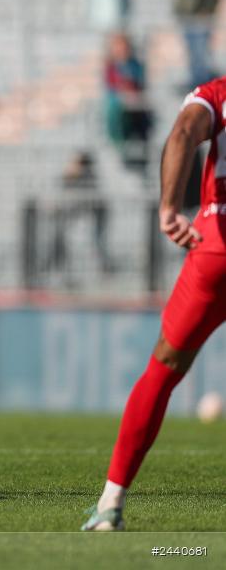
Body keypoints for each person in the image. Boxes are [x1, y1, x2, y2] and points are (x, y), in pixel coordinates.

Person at [82, 76, 226, 531]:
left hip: (217, 247)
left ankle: (110, 505)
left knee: (163, 368)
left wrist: (167, 208)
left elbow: (183, 131)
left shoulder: (219, 91)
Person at [104, 32, 150, 173]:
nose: (121, 50)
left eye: (123, 46)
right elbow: (113, 88)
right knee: (114, 111)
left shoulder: (135, 65)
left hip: (136, 105)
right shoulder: (111, 67)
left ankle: (142, 150)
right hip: (119, 106)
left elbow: (139, 84)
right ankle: (121, 146)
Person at [174, 0, 221, 90]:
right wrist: (180, 10)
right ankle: (196, 81)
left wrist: (206, 11)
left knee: (200, 53)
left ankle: (203, 83)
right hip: (188, 19)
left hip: (201, 20)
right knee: (193, 53)